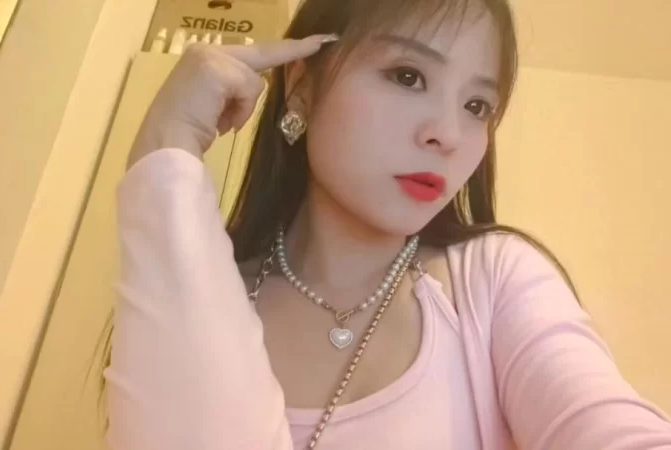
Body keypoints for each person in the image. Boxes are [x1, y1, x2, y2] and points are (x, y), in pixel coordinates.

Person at [103, 0, 671, 448]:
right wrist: (166, 154)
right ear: (301, 85)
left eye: (477, 106)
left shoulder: (491, 283)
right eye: (407, 75)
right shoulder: (192, 297)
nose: (448, 134)